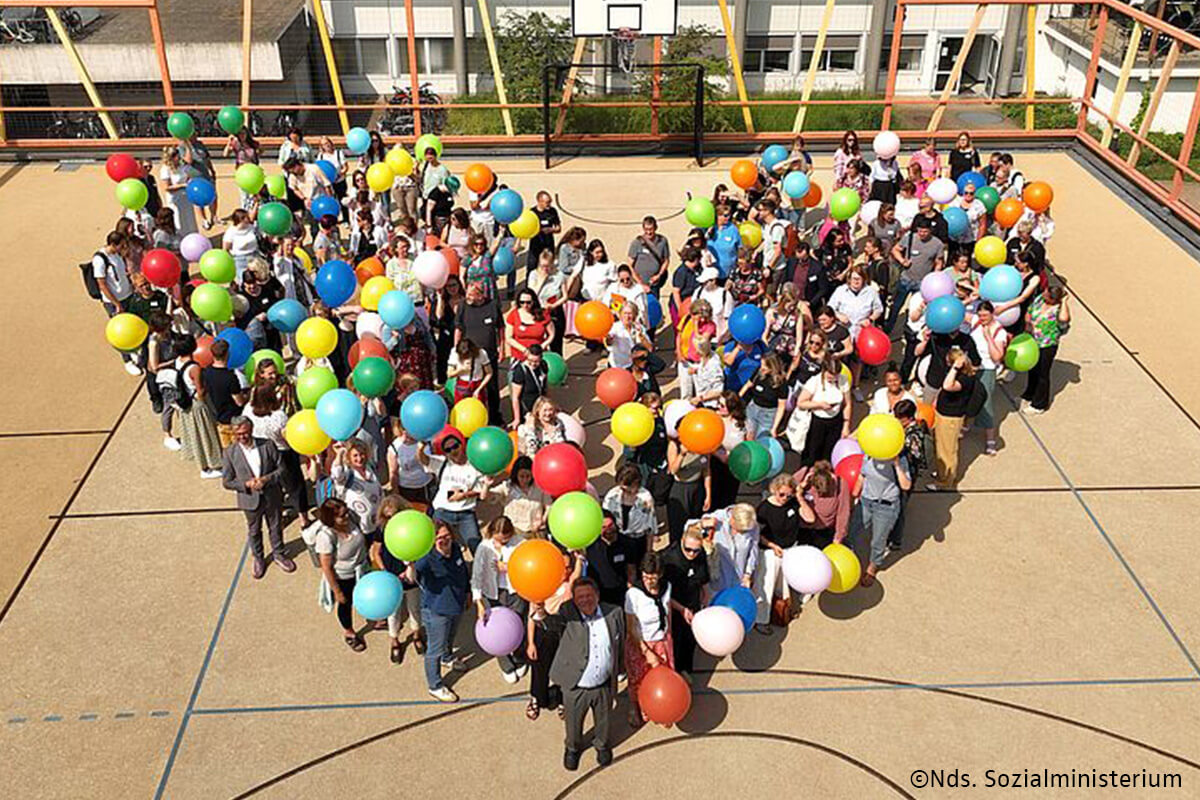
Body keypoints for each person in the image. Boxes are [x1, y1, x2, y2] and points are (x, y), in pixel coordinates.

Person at [548, 577, 625, 771]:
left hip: (604, 684)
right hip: (576, 686)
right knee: (573, 725)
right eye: (580, 597)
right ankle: (572, 748)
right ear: (573, 600)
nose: (585, 600)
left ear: (597, 596)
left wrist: (621, 669)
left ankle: (602, 745)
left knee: (604, 720)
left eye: (589, 595)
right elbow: (550, 624)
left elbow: (621, 643)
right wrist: (540, 610)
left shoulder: (614, 613)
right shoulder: (567, 614)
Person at [222, 415, 294, 579]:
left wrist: (266, 480)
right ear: (233, 434)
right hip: (249, 500)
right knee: (254, 531)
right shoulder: (229, 453)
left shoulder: (267, 445)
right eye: (238, 434)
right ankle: (259, 559)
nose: (242, 437)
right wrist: (245, 485)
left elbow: (281, 470)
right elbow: (227, 482)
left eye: (245, 433)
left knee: (275, 526)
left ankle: (279, 554)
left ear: (252, 429)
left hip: (272, 495)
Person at [407, 521, 471, 702]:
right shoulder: (426, 559)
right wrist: (410, 566)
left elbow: (463, 573)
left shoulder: (456, 548)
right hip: (436, 611)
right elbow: (411, 578)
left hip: (456, 604)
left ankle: (448, 657)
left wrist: (467, 593)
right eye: (439, 537)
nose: (444, 540)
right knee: (434, 649)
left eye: (446, 535)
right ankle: (435, 685)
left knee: (450, 636)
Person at [526, 549, 583, 720]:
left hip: (562, 631)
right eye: (563, 566)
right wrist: (531, 643)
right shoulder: (542, 584)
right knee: (539, 669)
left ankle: (561, 700)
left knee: (562, 669)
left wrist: (579, 557)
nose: (566, 570)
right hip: (543, 632)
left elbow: (576, 575)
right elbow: (531, 618)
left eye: (568, 567)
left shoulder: (569, 586)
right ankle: (537, 698)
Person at [472, 516, 530, 683]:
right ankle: (505, 663)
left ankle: (519, 657)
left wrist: (509, 567)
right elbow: (477, 576)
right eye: (499, 539)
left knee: (517, 623)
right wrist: (479, 602)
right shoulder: (484, 547)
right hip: (494, 593)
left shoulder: (521, 544)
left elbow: (528, 566)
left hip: (515, 591)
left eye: (506, 539)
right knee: (497, 629)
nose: (502, 543)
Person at [371, 496, 426, 665]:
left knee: (414, 607)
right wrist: (386, 572)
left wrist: (411, 566)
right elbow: (375, 552)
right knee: (393, 611)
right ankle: (394, 641)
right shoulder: (382, 529)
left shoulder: (412, 527)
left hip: (409, 573)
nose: (391, 520)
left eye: (394, 515)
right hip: (391, 576)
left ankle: (417, 635)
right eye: (387, 517)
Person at [624, 552, 674, 727]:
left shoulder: (667, 587)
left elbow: (668, 611)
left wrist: (668, 637)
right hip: (641, 643)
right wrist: (647, 652)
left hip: (662, 640)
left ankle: (664, 707)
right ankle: (636, 708)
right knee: (639, 681)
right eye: (645, 576)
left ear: (660, 575)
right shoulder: (633, 594)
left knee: (664, 677)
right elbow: (630, 627)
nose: (648, 580)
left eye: (652, 577)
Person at [311, 497, 368, 651]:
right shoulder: (326, 536)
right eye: (342, 516)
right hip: (344, 578)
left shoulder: (352, 521)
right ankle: (349, 632)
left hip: (362, 569)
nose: (347, 517)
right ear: (331, 519)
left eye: (346, 512)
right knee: (345, 605)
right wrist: (337, 591)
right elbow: (327, 567)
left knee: (364, 597)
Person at [852, 450, 912, 586]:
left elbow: (906, 485)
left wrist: (896, 465)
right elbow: (862, 476)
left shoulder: (900, 459)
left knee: (878, 541)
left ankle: (872, 568)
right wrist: (854, 494)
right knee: (852, 531)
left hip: (886, 506)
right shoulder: (868, 455)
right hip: (866, 501)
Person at [660, 528, 709, 680]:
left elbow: (703, 580)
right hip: (674, 607)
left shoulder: (700, 556)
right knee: (675, 641)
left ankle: (686, 670)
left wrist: (705, 598)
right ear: (682, 541)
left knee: (689, 641)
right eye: (688, 549)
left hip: (692, 605)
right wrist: (681, 609)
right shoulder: (668, 559)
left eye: (696, 550)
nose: (692, 554)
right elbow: (663, 593)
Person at [429, 428, 487, 553]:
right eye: (448, 450)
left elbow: (481, 490)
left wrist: (464, 495)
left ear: (462, 445)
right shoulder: (443, 463)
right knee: (435, 545)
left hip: (465, 513)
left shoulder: (475, 465)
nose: (453, 451)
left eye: (455, 446)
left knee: (476, 546)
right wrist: (421, 445)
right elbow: (423, 459)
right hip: (442, 511)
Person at [456, 281, 505, 423]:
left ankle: (494, 416)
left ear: (481, 295)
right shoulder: (463, 306)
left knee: (492, 387)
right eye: (467, 294)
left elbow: (500, 328)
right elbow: (458, 328)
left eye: (471, 295)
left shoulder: (492, 305)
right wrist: (456, 350)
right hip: (468, 356)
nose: (468, 297)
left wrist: (502, 348)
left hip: (489, 355)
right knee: (470, 386)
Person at [930, 347, 978, 491]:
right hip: (942, 413)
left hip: (950, 417)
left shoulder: (964, 379)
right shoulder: (954, 373)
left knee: (947, 450)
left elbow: (947, 386)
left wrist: (955, 368)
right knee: (940, 446)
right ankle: (941, 472)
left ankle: (945, 482)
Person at [887, 216, 945, 332]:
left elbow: (939, 262)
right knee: (896, 305)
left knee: (915, 307)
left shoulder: (937, 244)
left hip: (922, 283)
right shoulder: (909, 238)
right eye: (920, 231)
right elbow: (895, 249)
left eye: (925, 231)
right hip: (906, 278)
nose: (922, 234)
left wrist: (935, 277)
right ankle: (888, 328)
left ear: (930, 230)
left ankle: (908, 328)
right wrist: (902, 260)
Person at [793, 354, 852, 466]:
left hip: (835, 422)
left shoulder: (843, 380)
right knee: (812, 453)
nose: (833, 378)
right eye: (830, 374)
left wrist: (846, 426)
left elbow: (847, 404)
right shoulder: (814, 382)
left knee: (829, 453)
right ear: (824, 370)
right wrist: (819, 405)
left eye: (836, 375)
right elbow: (801, 403)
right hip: (816, 422)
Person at [1021, 285, 1070, 414]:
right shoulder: (1040, 299)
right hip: (1032, 340)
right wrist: (1027, 324)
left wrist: (1064, 301)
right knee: (1032, 368)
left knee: (1042, 373)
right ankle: (1029, 393)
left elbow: (1064, 319)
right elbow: (1029, 311)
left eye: (1047, 295)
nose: (1043, 295)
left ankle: (1039, 404)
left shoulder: (1059, 309)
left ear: (1054, 300)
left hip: (1047, 345)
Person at [967, 301, 1009, 454]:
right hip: (971, 367)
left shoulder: (1000, 332)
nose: (982, 318)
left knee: (985, 403)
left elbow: (997, 356)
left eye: (985, 315)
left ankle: (990, 439)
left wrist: (988, 337)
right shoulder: (976, 321)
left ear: (992, 314)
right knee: (968, 397)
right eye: (980, 315)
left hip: (987, 369)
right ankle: (966, 423)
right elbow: (960, 315)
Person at [601, 464, 657, 567]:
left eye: (626, 488)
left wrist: (649, 552)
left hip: (638, 541)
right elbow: (604, 519)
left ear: (636, 483)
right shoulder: (612, 495)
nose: (622, 490)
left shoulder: (646, 499)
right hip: (617, 538)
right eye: (621, 487)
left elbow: (650, 528)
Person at [699, 503, 759, 595]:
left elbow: (753, 552)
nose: (742, 532)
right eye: (740, 530)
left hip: (738, 581)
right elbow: (688, 528)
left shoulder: (751, 525)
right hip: (715, 583)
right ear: (732, 520)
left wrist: (748, 574)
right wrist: (701, 524)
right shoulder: (718, 517)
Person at [202, 339, 250, 448]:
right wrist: (248, 395)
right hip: (234, 420)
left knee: (228, 451)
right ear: (227, 353)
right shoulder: (230, 377)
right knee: (240, 451)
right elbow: (239, 402)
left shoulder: (207, 372)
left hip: (220, 419)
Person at [586, 513, 637, 605]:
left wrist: (631, 590)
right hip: (599, 594)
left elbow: (631, 570)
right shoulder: (590, 546)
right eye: (604, 527)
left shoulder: (628, 544)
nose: (608, 530)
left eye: (610, 525)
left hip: (620, 592)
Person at [497, 455, 549, 537]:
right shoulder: (508, 486)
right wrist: (486, 485)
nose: (525, 480)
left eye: (528, 476)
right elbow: (489, 496)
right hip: (515, 531)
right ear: (516, 475)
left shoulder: (539, 487)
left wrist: (542, 520)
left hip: (536, 531)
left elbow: (549, 505)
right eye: (521, 476)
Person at [741, 352, 788, 439]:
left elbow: (781, 406)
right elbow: (748, 385)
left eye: (765, 366)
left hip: (768, 414)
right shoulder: (758, 372)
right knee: (748, 435)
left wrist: (774, 428)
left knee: (761, 439)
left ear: (772, 367)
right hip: (753, 408)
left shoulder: (781, 383)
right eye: (761, 364)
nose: (761, 368)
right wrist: (738, 399)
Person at [159, 145, 199, 238]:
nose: (178, 157)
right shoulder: (166, 169)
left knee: (189, 219)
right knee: (179, 221)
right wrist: (182, 186)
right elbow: (167, 187)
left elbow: (188, 171)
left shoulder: (181, 166)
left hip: (186, 197)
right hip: (175, 199)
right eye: (176, 156)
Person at [510, 344, 549, 428]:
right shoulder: (520, 371)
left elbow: (545, 387)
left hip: (540, 407)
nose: (533, 364)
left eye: (536, 361)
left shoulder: (543, 366)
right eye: (530, 360)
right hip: (527, 409)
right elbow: (515, 397)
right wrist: (517, 418)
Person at [628, 215, 670, 292]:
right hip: (638, 284)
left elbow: (666, 260)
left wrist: (659, 275)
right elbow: (630, 265)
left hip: (654, 284)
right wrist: (640, 283)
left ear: (656, 228)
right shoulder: (637, 243)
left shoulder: (663, 241)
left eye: (651, 229)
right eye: (646, 229)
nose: (649, 232)